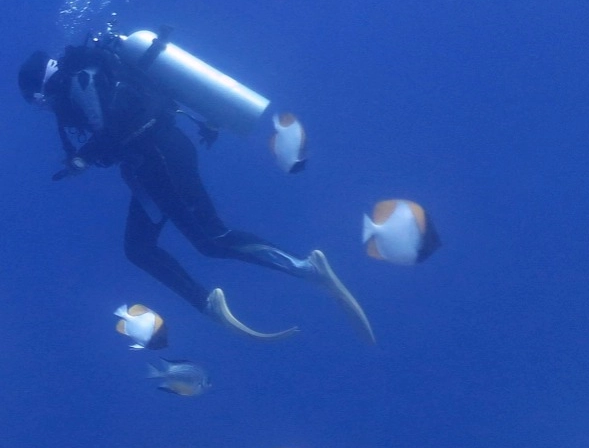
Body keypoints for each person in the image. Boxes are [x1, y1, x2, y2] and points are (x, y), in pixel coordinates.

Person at [20, 32, 374, 343]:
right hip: (149, 165)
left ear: (41, 89)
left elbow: (111, 132)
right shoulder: (90, 73)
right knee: (139, 248)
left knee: (212, 239)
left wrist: (82, 159)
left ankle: (305, 267)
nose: (47, 108)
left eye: (39, 102)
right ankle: (207, 303)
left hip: (160, 159)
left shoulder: (81, 81)